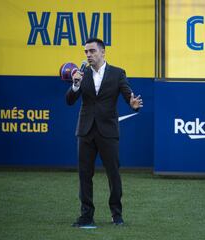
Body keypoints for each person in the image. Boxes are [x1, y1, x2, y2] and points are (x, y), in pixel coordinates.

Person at [66, 38, 143, 228]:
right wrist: (75, 84)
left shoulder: (117, 73)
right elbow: (69, 100)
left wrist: (133, 104)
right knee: (85, 175)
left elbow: (128, 95)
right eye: (86, 52)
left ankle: (116, 214)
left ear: (103, 52)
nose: (88, 55)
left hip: (108, 131)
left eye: (92, 51)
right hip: (85, 131)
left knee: (113, 174)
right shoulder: (81, 73)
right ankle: (86, 216)